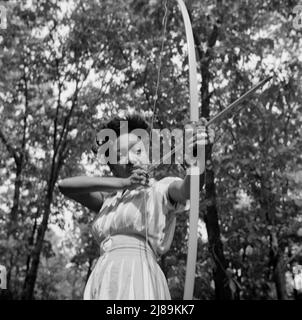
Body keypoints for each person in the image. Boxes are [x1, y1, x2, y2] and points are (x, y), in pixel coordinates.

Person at [58, 113, 214, 300]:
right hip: (103, 277)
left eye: (137, 151)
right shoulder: (109, 200)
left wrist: (199, 159)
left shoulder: (159, 189)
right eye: (121, 156)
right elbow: (65, 186)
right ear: (113, 168)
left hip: (139, 273)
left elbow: (189, 188)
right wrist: (122, 183)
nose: (131, 159)